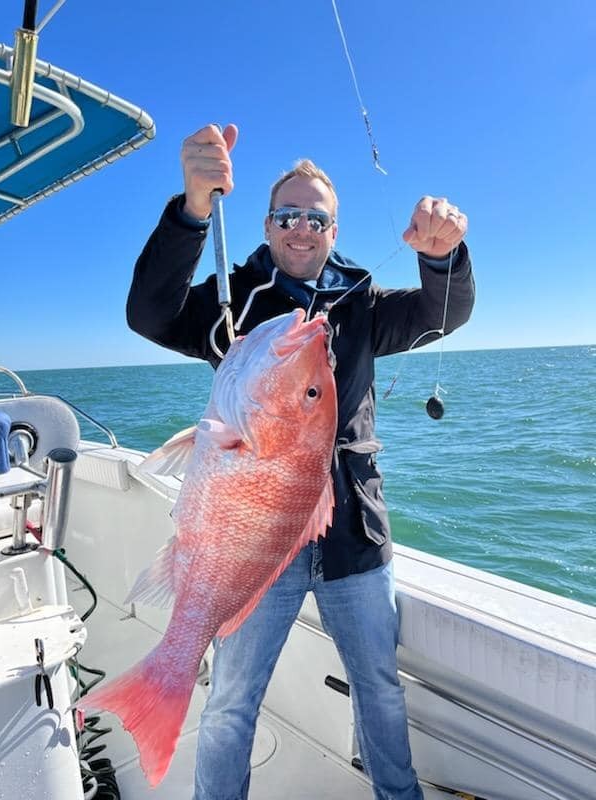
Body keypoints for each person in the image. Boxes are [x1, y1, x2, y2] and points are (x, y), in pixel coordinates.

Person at [127, 123, 475, 800]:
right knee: (230, 704)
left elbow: (444, 316)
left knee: (378, 690)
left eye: (317, 218)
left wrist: (443, 260)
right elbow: (150, 312)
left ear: (334, 230)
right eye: (288, 214)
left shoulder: (362, 304)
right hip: (255, 548)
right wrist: (193, 208)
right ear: (267, 223)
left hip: (356, 542)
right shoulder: (236, 302)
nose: (301, 228)